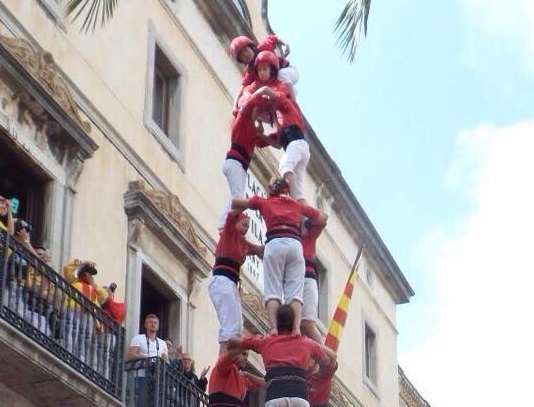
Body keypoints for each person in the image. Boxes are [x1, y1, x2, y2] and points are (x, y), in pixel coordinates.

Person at [232, 177, 327, 336]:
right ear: (287, 190)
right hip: (294, 245)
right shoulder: (296, 205)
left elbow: (236, 202)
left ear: (272, 191)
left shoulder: (266, 202)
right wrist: (307, 222)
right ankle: (296, 329)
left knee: (273, 290)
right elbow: (322, 218)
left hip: (274, 243)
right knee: (295, 292)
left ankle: (274, 328)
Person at [227, 305, 334, 407]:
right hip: (299, 399)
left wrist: (244, 346)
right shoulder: (307, 343)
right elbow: (328, 360)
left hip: (275, 397)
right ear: (294, 324)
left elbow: (232, 341)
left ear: (276, 323)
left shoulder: (265, 341)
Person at [244, 51, 310, 202]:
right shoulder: (277, 121)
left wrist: (254, 95)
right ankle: (301, 220)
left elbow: (269, 91)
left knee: (284, 166)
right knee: (299, 191)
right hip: (297, 148)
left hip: (297, 143)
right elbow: (277, 144)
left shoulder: (287, 104)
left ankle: (292, 204)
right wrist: (259, 134)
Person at [209, 210, 263, 354]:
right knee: (230, 327)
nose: (247, 227)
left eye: (248, 226)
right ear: (236, 222)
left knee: (238, 328)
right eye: (244, 224)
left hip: (231, 284)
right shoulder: (229, 232)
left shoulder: (243, 243)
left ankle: (229, 360)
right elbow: (233, 210)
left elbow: (260, 251)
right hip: (222, 281)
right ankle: (222, 363)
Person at [229, 34, 299, 115]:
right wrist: (235, 106)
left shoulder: (264, 47)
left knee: (281, 74)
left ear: (251, 47)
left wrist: (285, 44)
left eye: (245, 51)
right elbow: (242, 89)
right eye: (242, 56)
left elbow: (274, 38)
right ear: (242, 61)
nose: (246, 55)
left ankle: (294, 103)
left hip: (289, 71)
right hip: (280, 85)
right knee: (260, 97)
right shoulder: (250, 71)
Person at [62, 259, 107, 364]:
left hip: (87, 315)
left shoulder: (94, 288)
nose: (91, 276)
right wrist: (83, 263)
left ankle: (79, 361)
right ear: (83, 273)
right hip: (72, 310)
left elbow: (103, 297)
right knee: (70, 334)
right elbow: (67, 268)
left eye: (92, 274)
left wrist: (93, 283)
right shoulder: (74, 280)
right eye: (89, 273)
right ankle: (67, 356)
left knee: (82, 340)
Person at [126, 314, 169, 407]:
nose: (153, 324)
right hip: (141, 375)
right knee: (141, 402)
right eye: (150, 322)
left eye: (155, 323)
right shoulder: (138, 338)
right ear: (145, 325)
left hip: (156, 378)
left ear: (158, 326)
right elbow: (130, 355)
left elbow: (166, 361)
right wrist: (146, 358)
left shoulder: (162, 343)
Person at [300, 213, 328, 344]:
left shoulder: (309, 234)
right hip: (292, 280)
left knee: (307, 324)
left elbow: (323, 219)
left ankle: (325, 357)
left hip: (306, 278)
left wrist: (307, 223)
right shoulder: (287, 236)